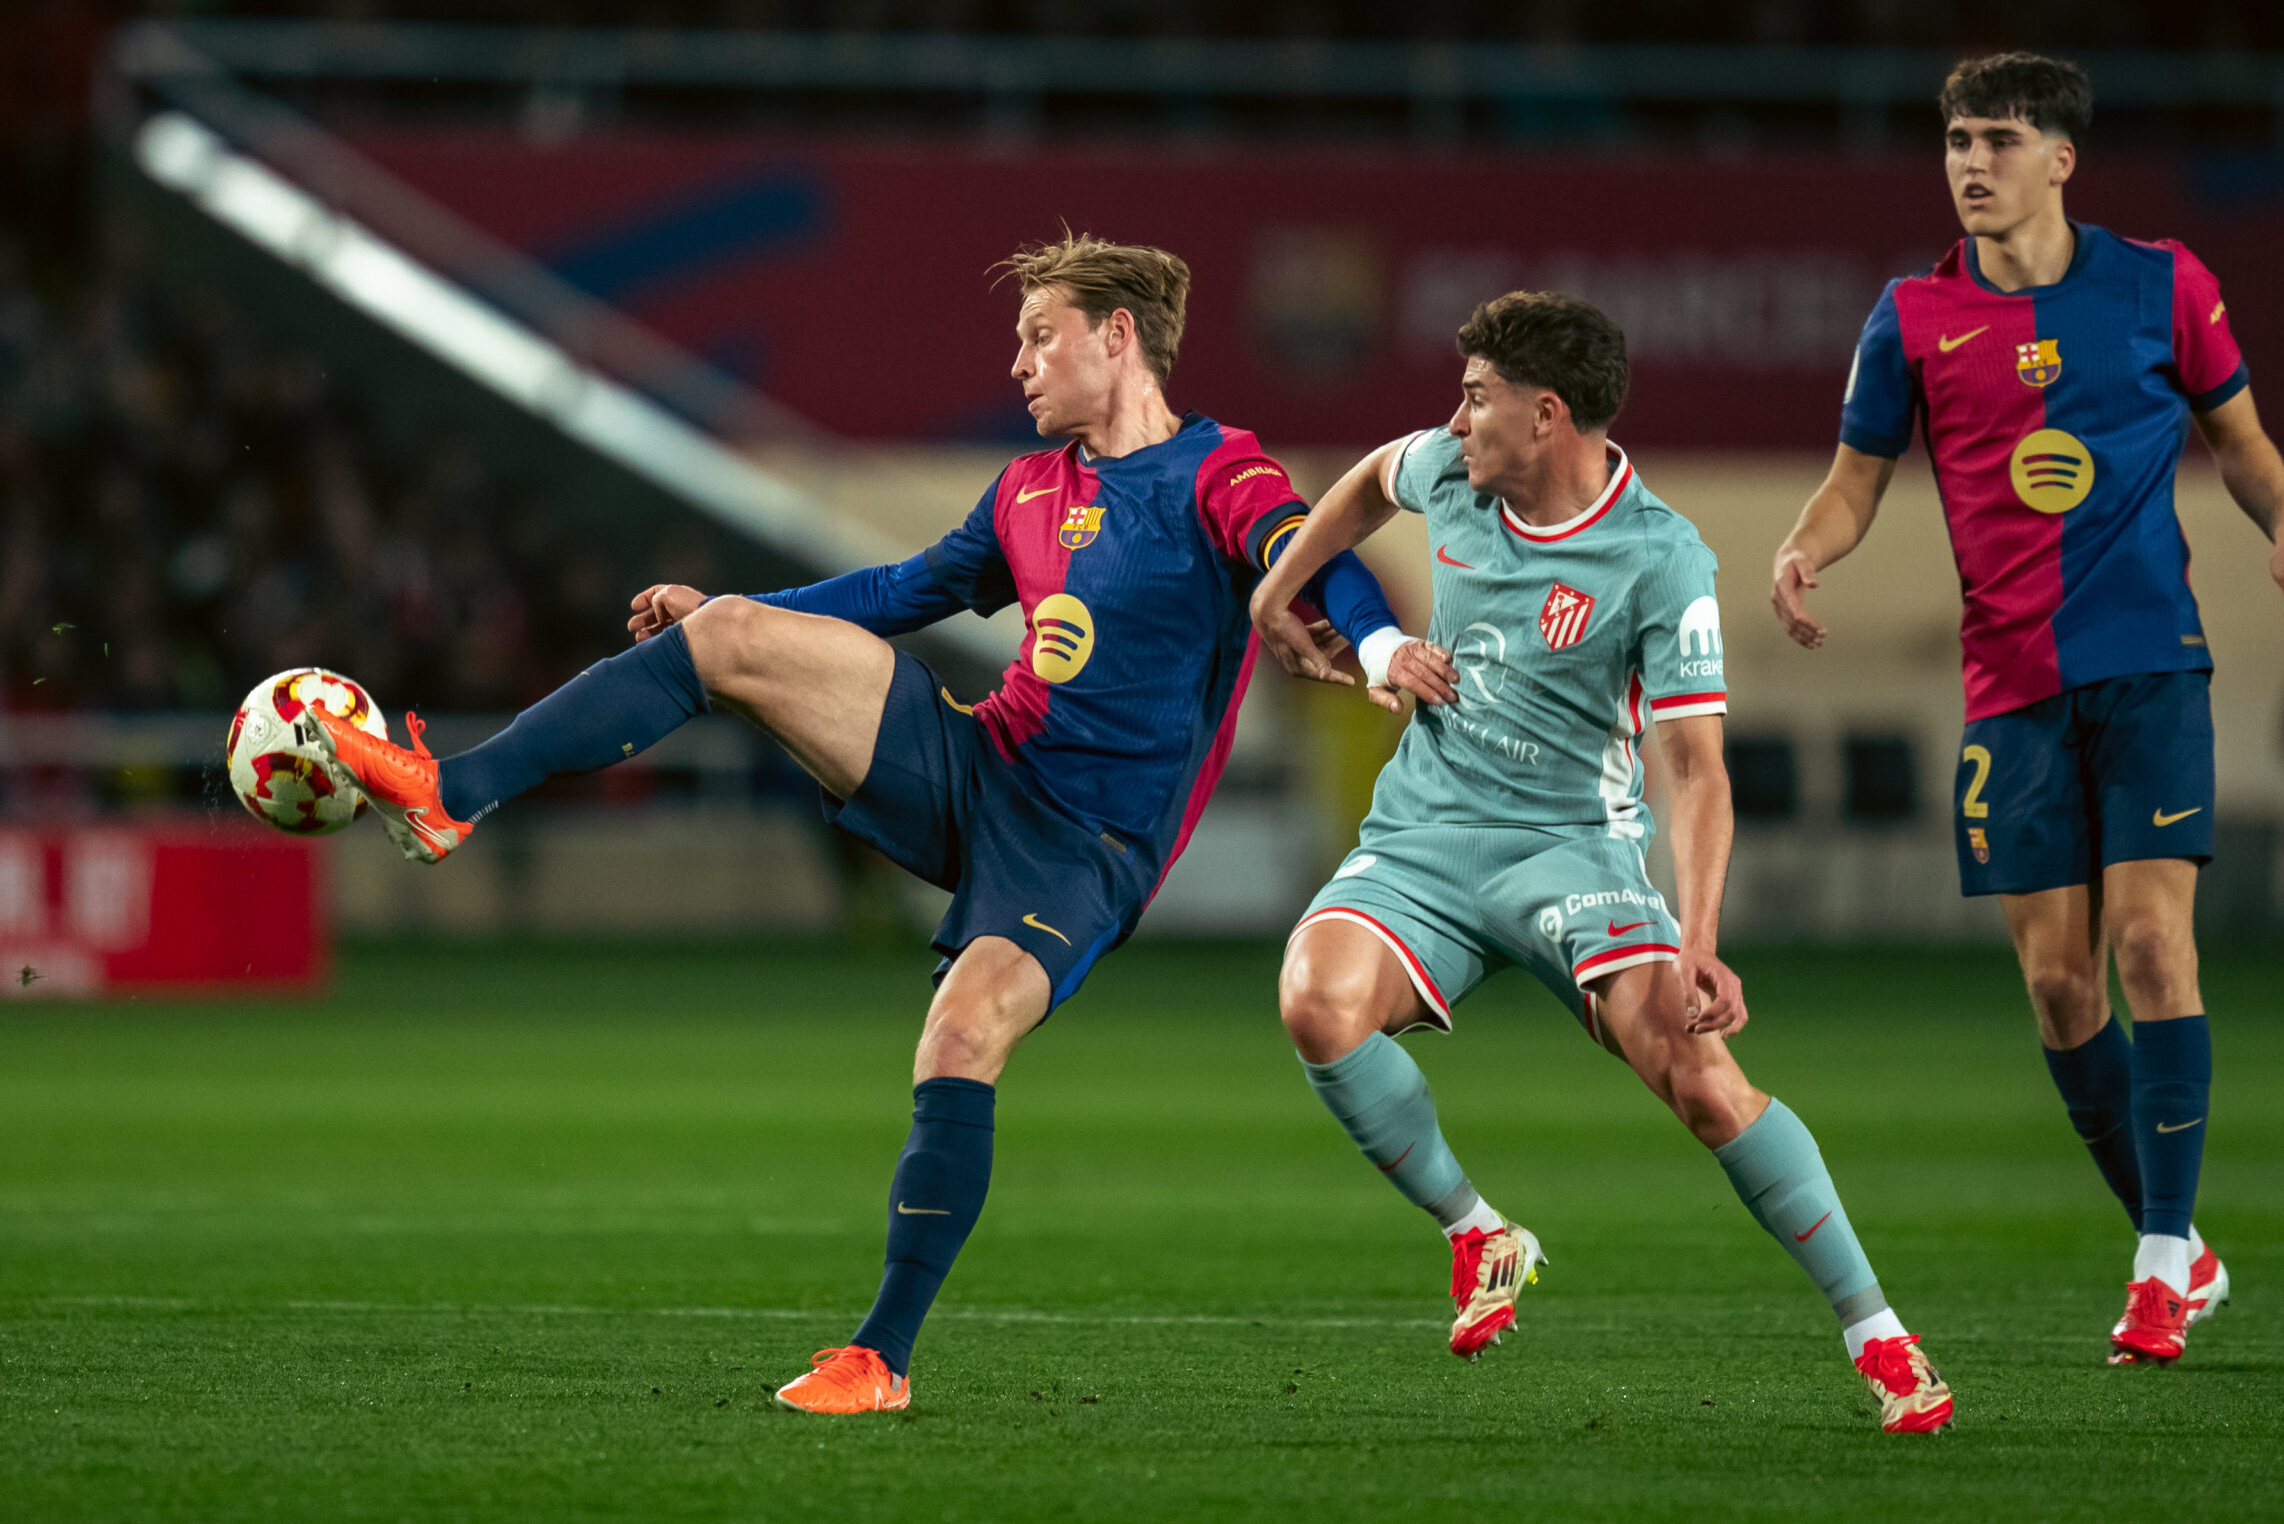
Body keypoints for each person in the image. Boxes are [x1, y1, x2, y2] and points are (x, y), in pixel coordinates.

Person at [300, 233, 1401, 1416]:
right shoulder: (1030, 488)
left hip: (1087, 847)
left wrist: (1373, 639)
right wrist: (732, 611)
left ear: (1116, 338)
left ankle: (878, 1359)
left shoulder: (1213, 472)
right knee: (721, 642)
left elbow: (1310, 545)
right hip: (978, 760)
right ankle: (448, 793)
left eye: (1041, 337)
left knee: (961, 1033)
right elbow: (905, 591)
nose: (1022, 364)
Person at [1252, 291, 1955, 1436]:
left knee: (1699, 1081)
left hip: (1574, 851)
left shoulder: (1660, 558)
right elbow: (1368, 477)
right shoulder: (1450, 471)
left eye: (1476, 398)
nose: (1452, 418)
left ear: (1546, 415)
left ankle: (1877, 1334)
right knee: (1316, 1004)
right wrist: (1279, 594)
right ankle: (1478, 1230)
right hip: (1424, 838)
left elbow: (1694, 769)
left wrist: (1700, 940)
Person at [1770, 52, 2284, 1368]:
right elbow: (1857, 477)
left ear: (2061, 159)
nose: (1972, 163)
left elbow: (2239, 436)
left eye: (2000, 140)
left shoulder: (2163, 283)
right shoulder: (1911, 315)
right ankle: (2176, 1236)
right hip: (2010, 689)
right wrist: (1809, 546)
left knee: (2150, 945)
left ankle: (2154, 1268)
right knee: (2059, 982)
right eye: (1958, 140)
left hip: (2150, 664)